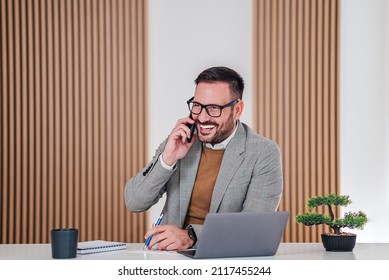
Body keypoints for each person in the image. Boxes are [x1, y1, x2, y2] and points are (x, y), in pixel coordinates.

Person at [124, 66, 283, 251]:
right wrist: (167, 159)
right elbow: (134, 202)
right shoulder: (179, 140)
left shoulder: (263, 152)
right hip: (169, 256)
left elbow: (254, 227)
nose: (202, 117)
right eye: (197, 106)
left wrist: (191, 236)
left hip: (227, 257)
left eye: (214, 108)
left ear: (237, 109)